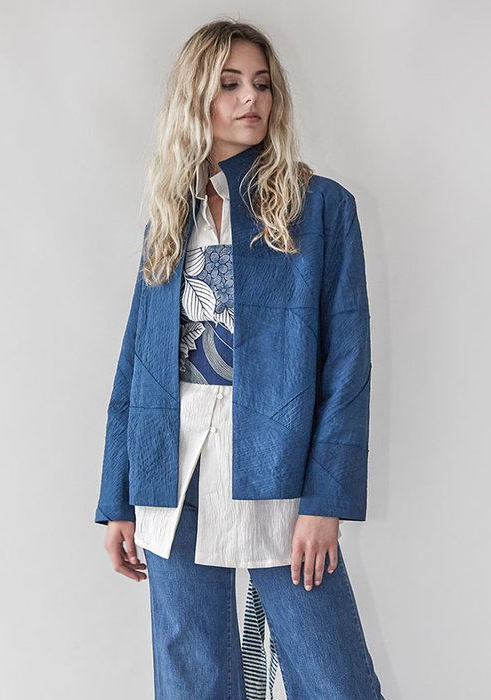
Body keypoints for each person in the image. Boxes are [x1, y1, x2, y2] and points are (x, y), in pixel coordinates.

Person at [94, 19, 385, 700]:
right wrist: (118, 498)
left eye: (261, 83)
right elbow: (136, 367)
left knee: (334, 678)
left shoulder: (319, 207)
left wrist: (326, 500)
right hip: (170, 468)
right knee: (192, 678)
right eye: (229, 84)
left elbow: (347, 363)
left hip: (278, 465)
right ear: (196, 97)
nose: (251, 98)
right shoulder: (169, 218)